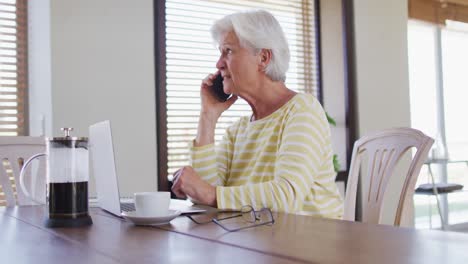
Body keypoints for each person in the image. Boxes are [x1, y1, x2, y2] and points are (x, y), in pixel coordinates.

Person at [171, 10, 343, 219]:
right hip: (259, 243)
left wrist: (208, 193)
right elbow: (205, 199)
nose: (219, 64)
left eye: (228, 51)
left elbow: (285, 196)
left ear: (263, 57)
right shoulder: (238, 131)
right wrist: (208, 116)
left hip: (312, 244)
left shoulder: (302, 110)